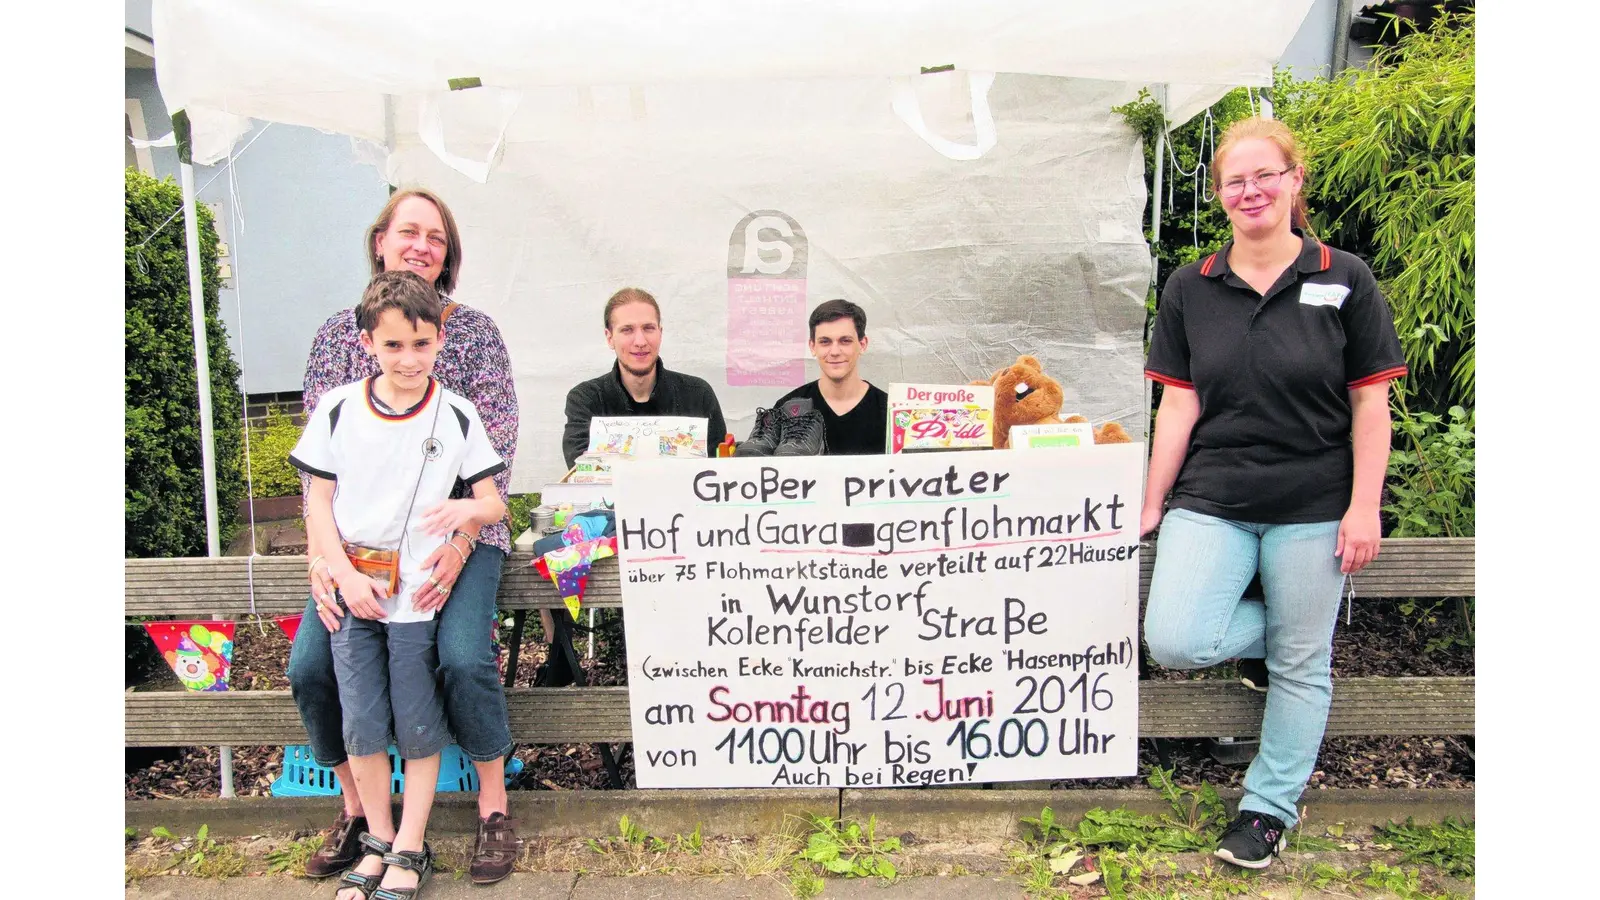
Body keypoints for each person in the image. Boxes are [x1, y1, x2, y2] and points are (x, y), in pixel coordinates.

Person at [1139, 117, 1407, 870]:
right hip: (1214, 495)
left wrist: (1364, 505)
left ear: (1294, 181)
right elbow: (1180, 405)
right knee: (1180, 638)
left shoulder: (1343, 275)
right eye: (1235, 180)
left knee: (1299, 666)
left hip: (1314, 502)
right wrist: (1154, 501)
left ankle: (1267, 809)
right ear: (1220, 194)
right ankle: (1293, 639)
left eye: (1266, 175)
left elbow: (1369, 405)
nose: (1250, 190)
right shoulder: (1192, 286)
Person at [289, 188, 524, 885]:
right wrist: (324, 559)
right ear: (381, 241)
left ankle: (492, 806)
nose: (422, 245)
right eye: (409, 232)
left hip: (458, 535)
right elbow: (320, 473)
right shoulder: (338, 334)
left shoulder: (475, 332)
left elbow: (497, 455)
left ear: (448, 256)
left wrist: (457, 550)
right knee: (309, 665)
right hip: (355, 545)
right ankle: (361, 813)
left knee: (459, 658)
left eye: (437, 237)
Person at [560, 287, 727, 468]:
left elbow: (719, 472)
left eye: (648, 328)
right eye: (627, 330)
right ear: (609, 338)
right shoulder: (585, 400)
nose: (640, 341)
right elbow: (581, 472)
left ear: (660, 333)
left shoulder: (698, 394)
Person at [741, 298, 887, 456]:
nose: (835, 351)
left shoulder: (889, 412)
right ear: (812, 347)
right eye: (825, 342)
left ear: (862, 344)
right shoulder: (787, 409)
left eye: (845, 341)